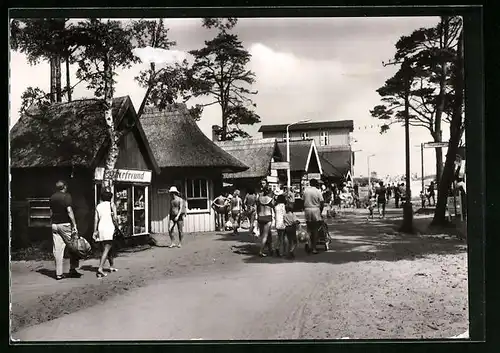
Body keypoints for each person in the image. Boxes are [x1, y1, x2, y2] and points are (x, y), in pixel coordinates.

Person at [50, 180, 82, 280]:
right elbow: (69, 210)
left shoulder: (52, 197)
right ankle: (73, 269)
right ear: (64, 187)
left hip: (55, 224)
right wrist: (74, 224)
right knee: (74, 245)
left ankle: (58, 274)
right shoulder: (66, 196)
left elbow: (51, 212)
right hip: (65, 224)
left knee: (57, 249)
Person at [92, 190, 119, 278]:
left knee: (108, 247)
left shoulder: (98, 206)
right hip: (109, 228)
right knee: (107, 249)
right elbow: (115, 218)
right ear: (110, 198)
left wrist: (95, 231)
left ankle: (111, 266)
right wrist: (118, 225)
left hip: (101, 228)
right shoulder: (112, 205)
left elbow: (96, 219)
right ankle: (100, 268)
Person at [302, 179, 324, 255]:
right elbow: (322, 202)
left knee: (308, 229)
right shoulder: (318, 191)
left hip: (307, 209)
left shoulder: (305, 191)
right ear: (316, 184)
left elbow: (302, 201)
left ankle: (308, 244)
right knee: (315, 230)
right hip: (315, 210)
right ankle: (314, 248)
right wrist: (320, 211)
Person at [256, 179, 275, 257]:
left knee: (264, 234)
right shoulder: (270, 198)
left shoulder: (259, 198)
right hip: (268, 217)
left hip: (260, 216)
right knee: (266, 235)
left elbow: (257, 206)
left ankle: (270, 248)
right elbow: (273, 206)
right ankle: (261, 251)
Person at [274, 188, 287, 257]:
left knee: (279, 237)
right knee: (284, 237)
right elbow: (285, 215)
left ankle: (277, 248)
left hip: (278, 223)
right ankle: (284, 251)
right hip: (284, 223)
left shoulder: (276, 207)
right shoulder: (285, 206)